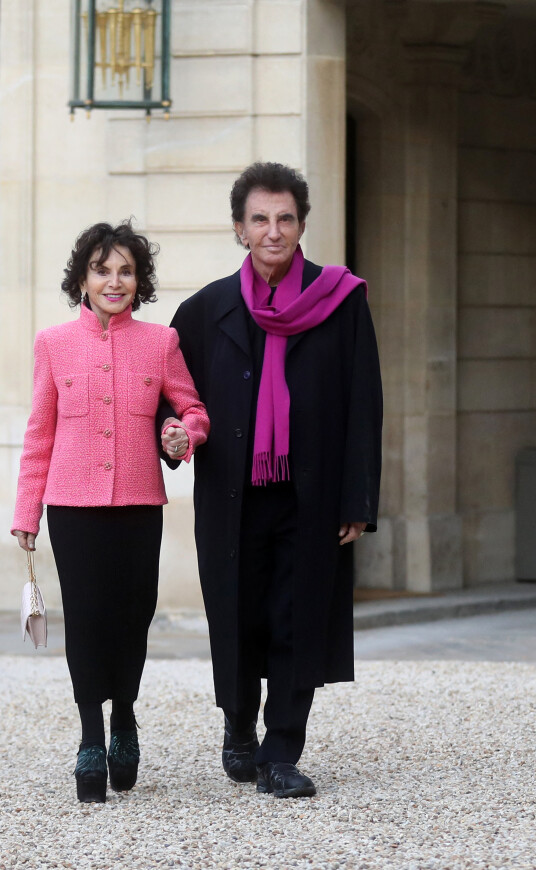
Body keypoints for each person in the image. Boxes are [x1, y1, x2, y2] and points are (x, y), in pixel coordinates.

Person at [160, 162, 382, 798]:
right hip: (232, 494)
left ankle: (282, 748)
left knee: (298, 617)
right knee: (238, 614)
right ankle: (238, 725)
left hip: (311, 495)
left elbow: (364, 404)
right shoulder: (203, 311)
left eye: (285, 218)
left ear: (302, 224)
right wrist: (173, 438)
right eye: (260, 218)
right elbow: (173, 402)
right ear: (239, 228)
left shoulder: (341, 300)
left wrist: (357, 497)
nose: (273, 230)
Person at [11, 221, 210, 804]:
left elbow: (192, 408)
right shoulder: (52, 343)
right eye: (103, 270)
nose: (114, 281)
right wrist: (27, 511)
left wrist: (183, 434)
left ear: (139, 281)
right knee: (88, 620)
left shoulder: (160, 343)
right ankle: (91, 735)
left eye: (126, 270)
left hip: (140, 503)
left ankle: (125, 714)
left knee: (133, 616)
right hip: (71, 506)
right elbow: (38, 432)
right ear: (83, 279)